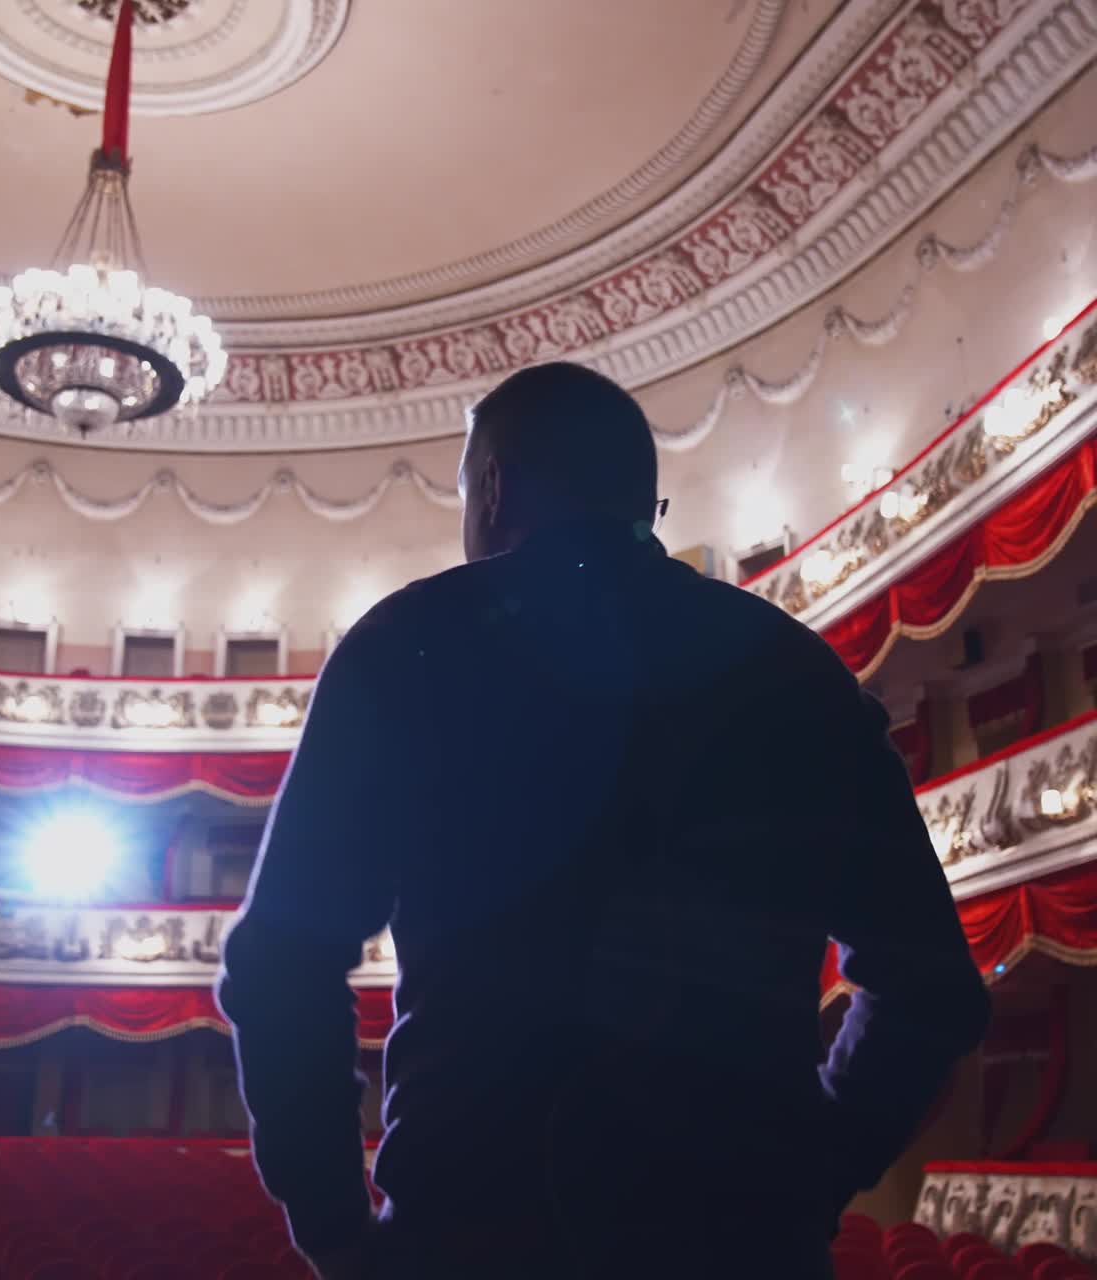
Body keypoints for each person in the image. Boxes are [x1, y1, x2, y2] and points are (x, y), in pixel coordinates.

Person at [215, 361, 992, 1279]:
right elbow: (931, 986)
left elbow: (284, 963)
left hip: (472, 1231)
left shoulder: (407, 646)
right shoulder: (796, 672)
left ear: (494, 487)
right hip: (739, 1244)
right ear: (645, 504)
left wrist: (334, 1224)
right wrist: (810, 1172)